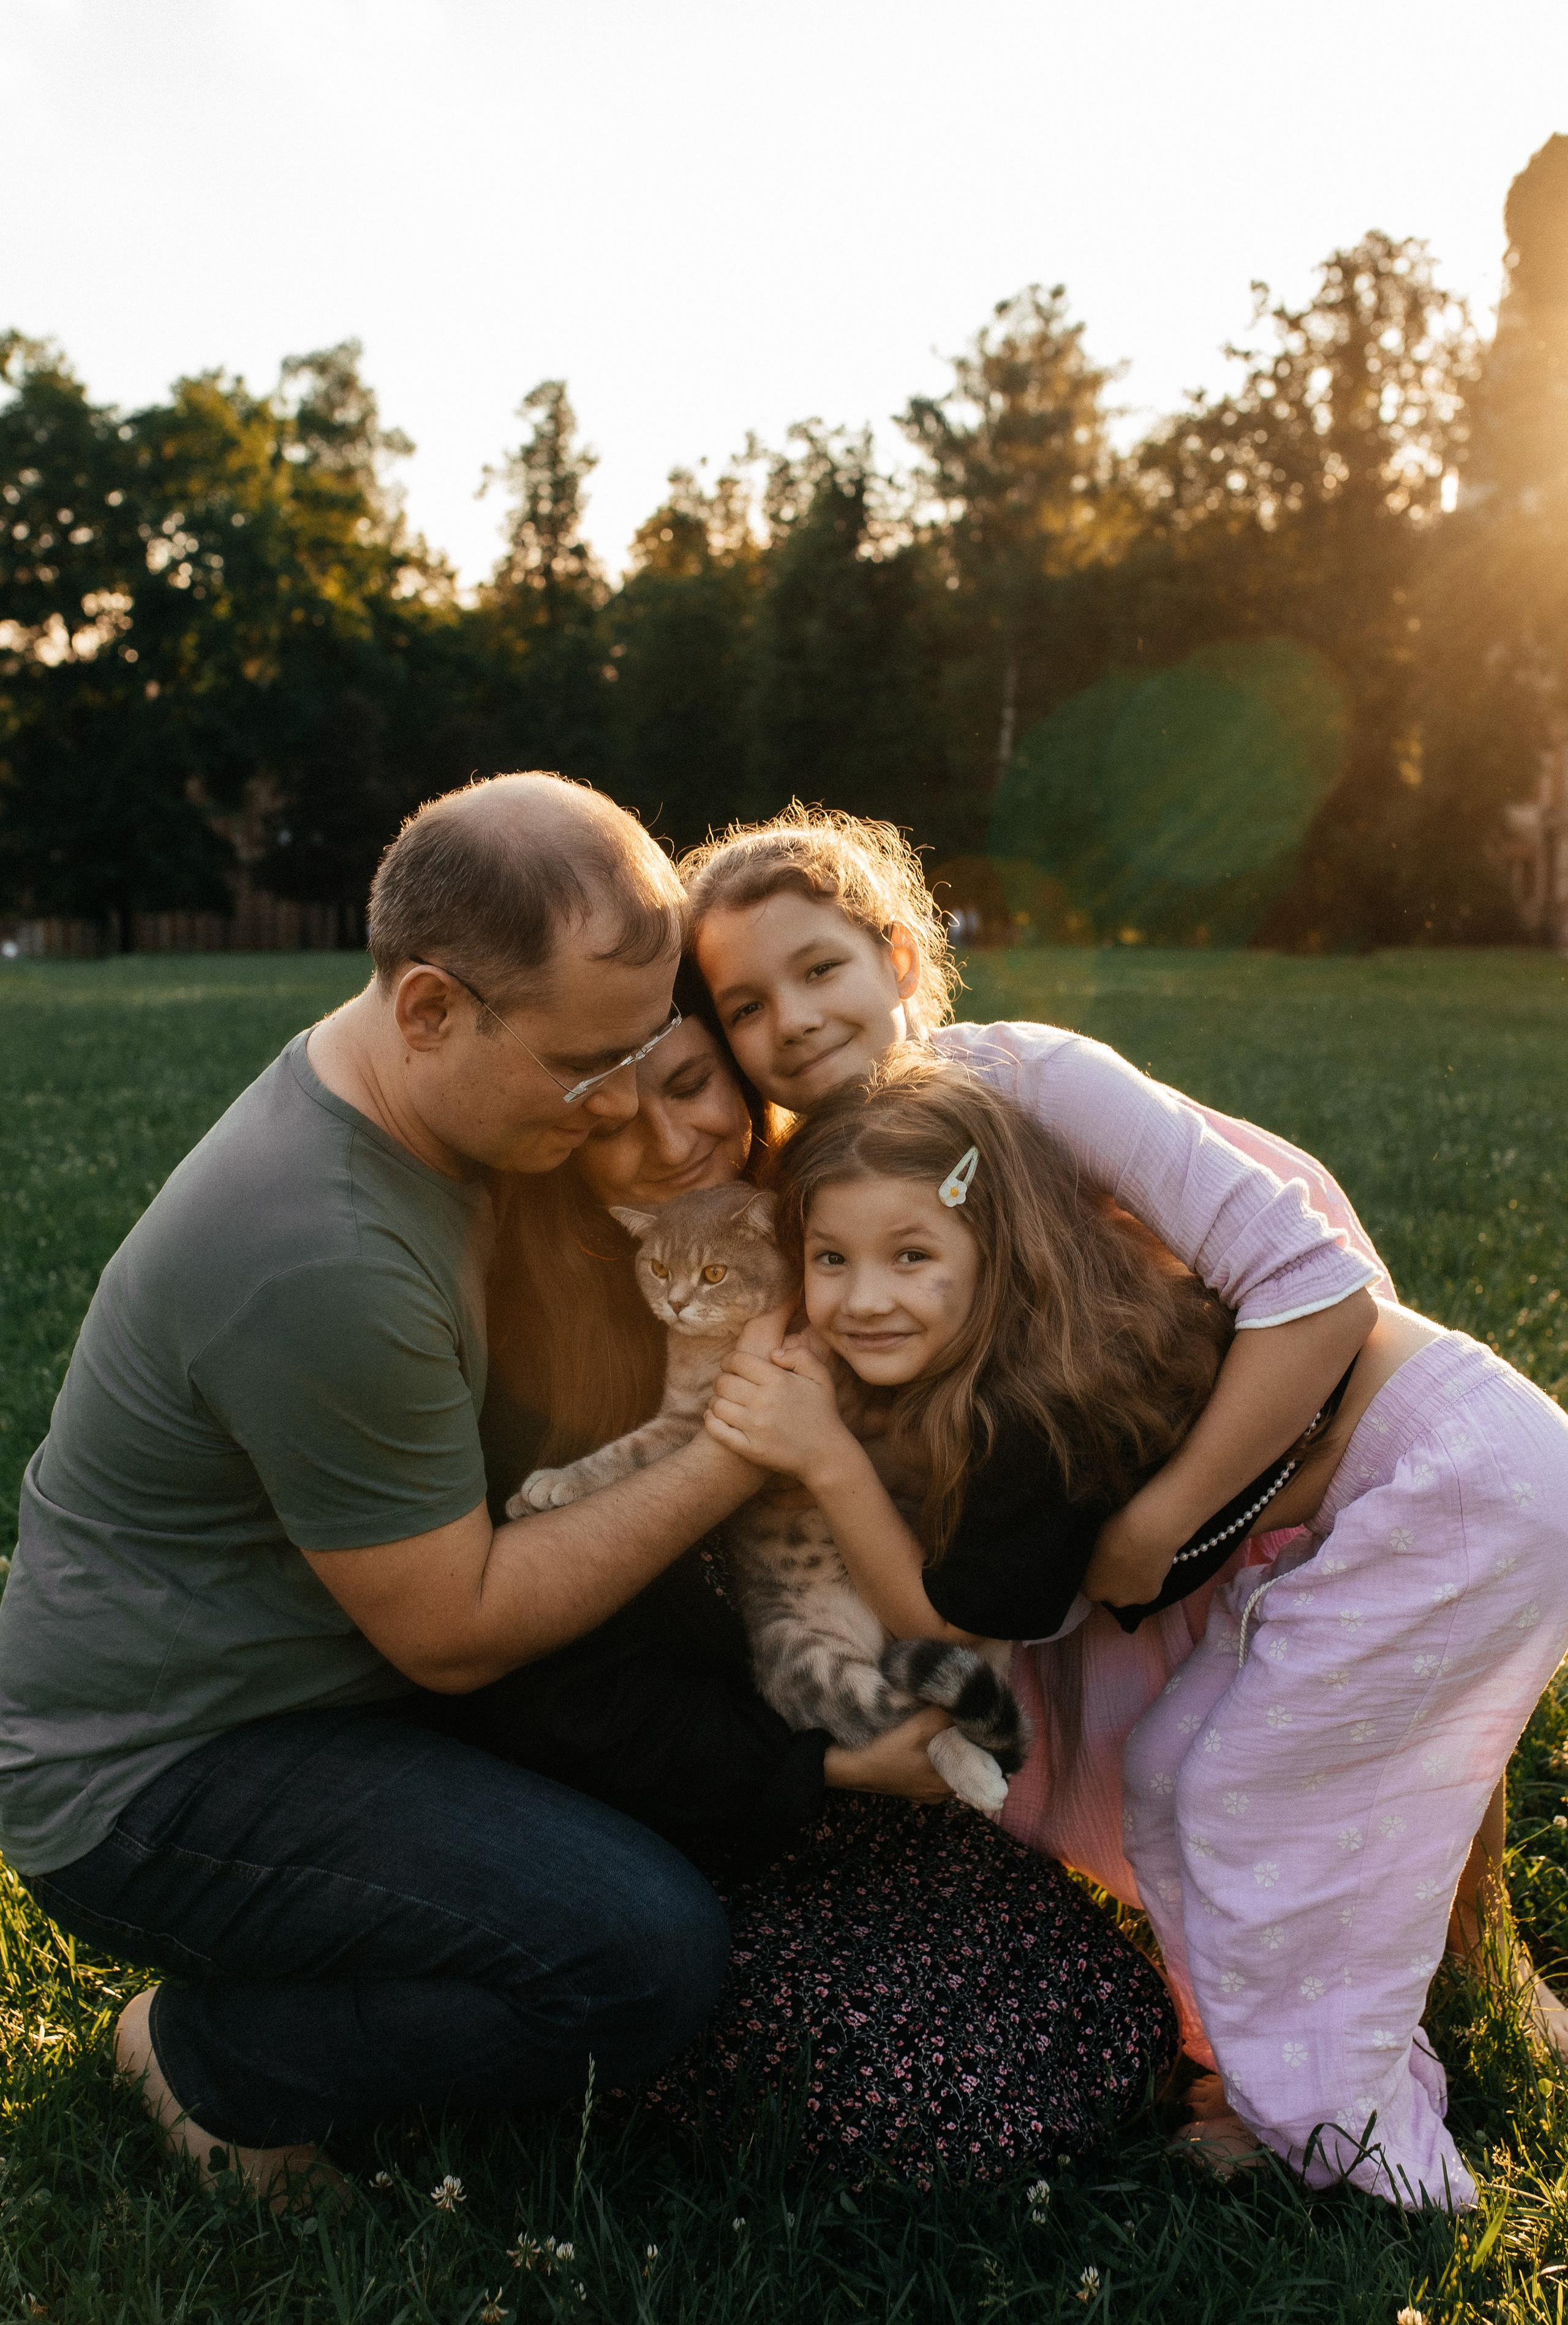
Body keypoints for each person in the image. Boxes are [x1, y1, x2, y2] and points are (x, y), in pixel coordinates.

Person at [687, 853, 1568, 2206]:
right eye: (743, 1005)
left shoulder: (1025, 1087)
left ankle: (1351, 2141)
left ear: (902, 963)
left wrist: (1152, 1525)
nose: (791, 1021)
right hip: (1307, 1496)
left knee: (1246, 1789)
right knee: (1175, 1770)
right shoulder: (847, 1186)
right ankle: (1258, 2069)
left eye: (819, 969)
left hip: (1415, 1474)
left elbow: (1313, 1285)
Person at [0, 775, 792, 2204]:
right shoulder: (324, 1255)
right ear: (428, 1008)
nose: (621, 1102)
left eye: (644, 1052)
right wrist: (736, 1445)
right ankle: (210, 2058)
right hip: (160, 1770)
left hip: (316, 1684)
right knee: (639, 1957)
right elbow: (459, 1628)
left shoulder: (449, 1107)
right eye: (584, 1068)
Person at [475, 965, 1182, 2180]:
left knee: (1104, 2032)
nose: (671, 1136)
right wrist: (821, 1764)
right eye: (616, 1111)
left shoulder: (837, 1217)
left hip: (872, 1754)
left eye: (694, 1082)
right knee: (944, 2109)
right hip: (681, 1798)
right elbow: (549, 1698)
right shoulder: (548, 1320)